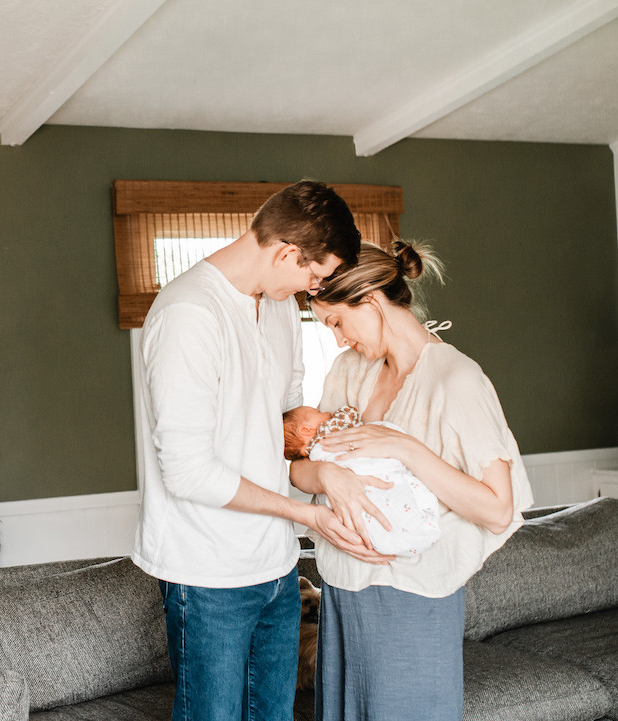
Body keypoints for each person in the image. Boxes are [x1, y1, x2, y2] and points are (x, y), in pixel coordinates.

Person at [132, 180, 380, 721]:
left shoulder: (281, 308)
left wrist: (320, 440)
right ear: (288, 252)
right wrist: (303, 512)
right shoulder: (188, 314)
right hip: (208, 572)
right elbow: (189, 472)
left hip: (277, 565)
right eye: (313, 276)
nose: (312, 290)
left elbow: (281, 424)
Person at [289, 239, 534, 721]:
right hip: (342, 588)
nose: (338, 340)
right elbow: (300, 465)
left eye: (337, 322)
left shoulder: (456, 380)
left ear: (372, 300)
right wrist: (326, 475)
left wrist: (405, 448)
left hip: (413, 596)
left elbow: (497, 508)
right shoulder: (348, 372)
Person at [283, 404, 441, 557]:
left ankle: (390, 537)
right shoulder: (328, 432)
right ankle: (409, 529)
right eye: (317, 411)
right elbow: (349, 413)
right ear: (305, 429)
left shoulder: (313, 456)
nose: (326, 413)